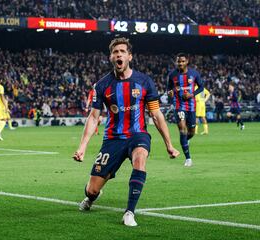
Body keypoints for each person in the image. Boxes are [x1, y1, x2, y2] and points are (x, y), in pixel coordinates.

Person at [73, 38, 179, 227]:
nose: (119, 55)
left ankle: (129, 212)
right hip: (113, 139)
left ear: (129, 56)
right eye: (115, 52)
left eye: (122, 51)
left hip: (138, 134)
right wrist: (82, 147)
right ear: (111, 57)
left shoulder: (144, 82)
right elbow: (93, 116)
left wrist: (169, 145)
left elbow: (156, 114)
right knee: (92, 190)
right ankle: (91, 197)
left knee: (140, 157)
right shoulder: (102, 85)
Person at [167, 53, 204, 167]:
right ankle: (188, 158)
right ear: (176, 62)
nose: (180, 63)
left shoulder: (194, 74)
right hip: (179, 106)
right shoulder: (172, 75)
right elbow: (169, 89)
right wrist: (170, 93)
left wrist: (192, 94)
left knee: (191, 132)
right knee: (182, 129)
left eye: (182, 61)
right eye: (179, 61)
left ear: (187, 61)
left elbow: (201, 87)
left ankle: (185, 141)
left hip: (192, 106)